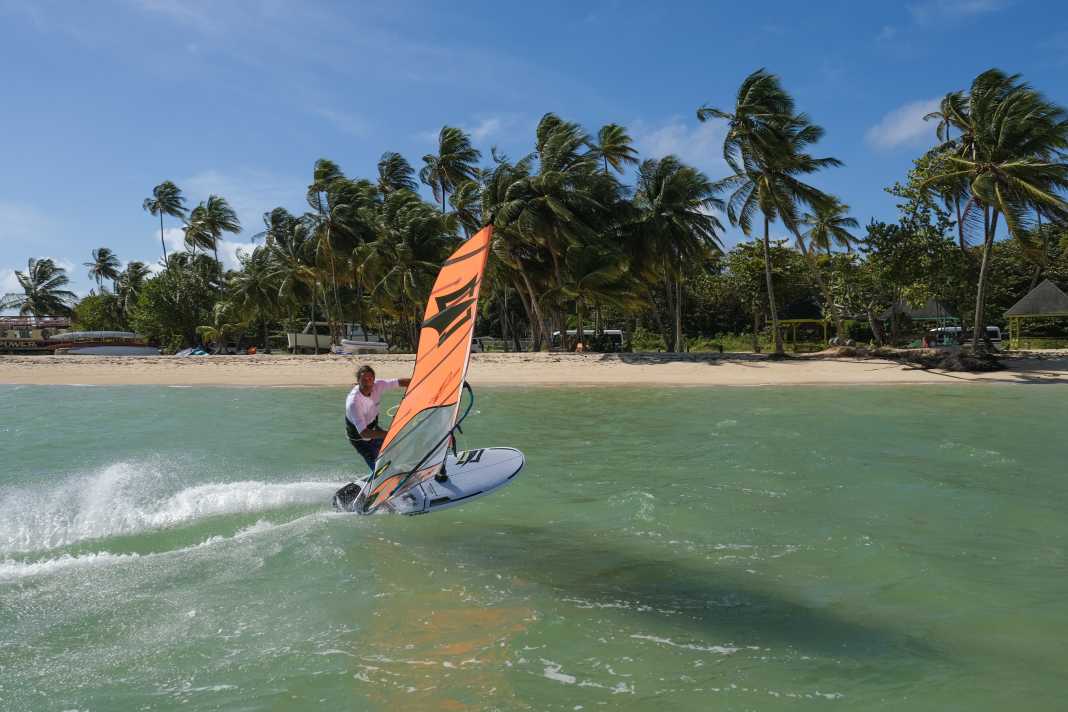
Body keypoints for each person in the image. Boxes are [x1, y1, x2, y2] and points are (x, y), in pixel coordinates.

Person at [345, 365, 411, 472]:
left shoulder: (378, 385)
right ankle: (382, 480)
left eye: (370, 379)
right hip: (360, 439)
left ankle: (399, 472)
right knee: (380, 470)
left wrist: (424, 383)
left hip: (373, 429)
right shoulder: (354, 402)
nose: (367, 383)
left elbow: (400, 382)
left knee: (396, 446)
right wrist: (389, 433)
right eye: (363, 380)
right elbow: (364, 433)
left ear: (374, 380)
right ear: (358, 381)